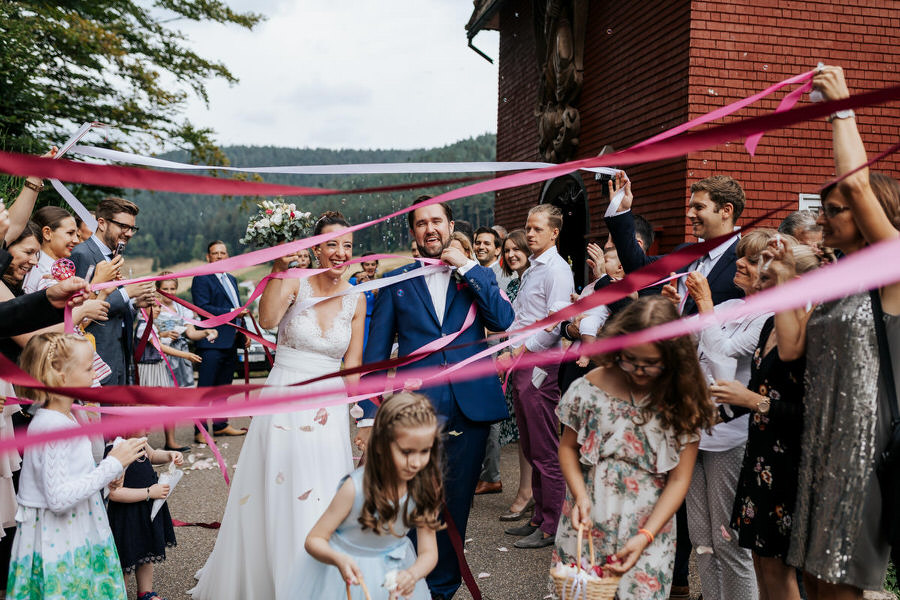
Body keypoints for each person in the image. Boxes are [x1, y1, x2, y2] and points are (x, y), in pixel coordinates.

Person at [190, 211, 365, 600]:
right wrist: (278, 267)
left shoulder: (357, 297)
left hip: (329, 404)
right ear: (315, 248)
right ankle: (276, 578)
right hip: (286, 392)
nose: (340, 253)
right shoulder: (292, 282)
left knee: (322, 487)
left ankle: (318, 580)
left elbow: (353, 365)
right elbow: (267, 319)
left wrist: (359, 417)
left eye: (347, 245)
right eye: (332, 244)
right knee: (282, 483)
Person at [779, 66, 900, 599]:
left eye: (835, 212)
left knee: (839, 586)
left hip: (867, 453)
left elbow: (855, 179)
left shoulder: (894, 273)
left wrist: (841, 107)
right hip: (821, 448)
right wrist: (783, 280)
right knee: (812, 581)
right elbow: (792, 349)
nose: (823, 220)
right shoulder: (838, 283)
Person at [357, 196, 514, 599]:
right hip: (415, 412)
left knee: (456, 503)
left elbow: (502, 321)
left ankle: (441, 589)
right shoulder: (397, 281)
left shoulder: (477, 275)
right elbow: (375, 356)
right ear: (413, 232)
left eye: (437, 222)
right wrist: (369, 413)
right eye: (422, 224)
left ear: (449, 225)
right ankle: (407, 584)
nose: (430, 229)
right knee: (411, 501)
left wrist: (467, 267)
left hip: (469, 408)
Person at [555, 296, 715, 599]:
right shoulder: (587, 388)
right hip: (587, 517)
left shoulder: (683, 398)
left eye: (651, 364)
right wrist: (579, 495)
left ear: (672, 357)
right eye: (631, 360)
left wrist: (646, 536)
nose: (639, 370)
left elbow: (680, 478)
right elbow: (567, 448)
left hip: (649, 523)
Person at [681, 230, 784, 600]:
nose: (738, 263)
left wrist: (705, 306)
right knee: (701, 540)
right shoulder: (727, 309)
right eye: (740, 256)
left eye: (751, 260)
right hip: (694, 432)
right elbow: (690, 353)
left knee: (729, 542)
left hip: (732, 436)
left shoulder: (770, 318)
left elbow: (724, 369)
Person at [714, 242, 821, 600]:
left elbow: (811, 413)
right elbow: (760, 390)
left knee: (779, 571)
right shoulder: (770, 324)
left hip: (789, 463)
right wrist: (720, 410)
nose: (758, 277)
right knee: (761, 564)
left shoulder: (810, 332)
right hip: (760, 457)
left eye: (769, 273)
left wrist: (753, 402)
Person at [8, 333, 146, 599]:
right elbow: (59, 498)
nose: (95, 373)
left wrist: (111, 472)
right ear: (61, 377)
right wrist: (112, 464)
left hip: (75, 530)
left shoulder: (67, 415)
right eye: (88, 368)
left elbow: (77, 475)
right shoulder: (51, 426)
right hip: (60, 540)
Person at [297, 392, 443, 599]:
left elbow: (429, 552)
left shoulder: (423, 488)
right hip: (344, 576)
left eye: (424, 451)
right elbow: (315, 539)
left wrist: (413, 574)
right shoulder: (354, 488)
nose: (416, 463)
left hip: (395, 575)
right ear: (383, 446)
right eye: (406, 452)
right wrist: (338, 559)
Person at [502, 204, 574, 550]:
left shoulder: (557, 270)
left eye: (536, 229)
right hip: (521, 361)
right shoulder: (534, 267)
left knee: (545, 446)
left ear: (554, 233)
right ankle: (539, 516)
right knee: (530, 443)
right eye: (527, 228)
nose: (529, 234)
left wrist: (522, 350)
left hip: (540, 364)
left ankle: (551, 524)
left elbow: (556, 321)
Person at [70, 196, 156, 385]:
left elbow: (111, 306)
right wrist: (128, 292)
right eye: (123, 226)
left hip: (119, 353)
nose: (129, 233)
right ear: (101, 223)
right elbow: (82, 308)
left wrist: (134, 303)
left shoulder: (113, 255)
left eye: (132, 228)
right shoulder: (82, 254)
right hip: (96, 354)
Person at [106, 435, 183, 600]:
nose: (148, 428)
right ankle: (119, 595)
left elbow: (153, 455)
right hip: (126, 514)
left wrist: (169, 454)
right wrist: (149, 492)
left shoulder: (139, 439)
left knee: (146, 550)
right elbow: (114, 493)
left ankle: (145, 592)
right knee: (124, 557)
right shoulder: (116, 449)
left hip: (146, 509)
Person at [493, 230, 534, 520]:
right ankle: (526, 489)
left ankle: (528, 492)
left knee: (533, 434)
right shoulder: (513, 284)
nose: (511, 255)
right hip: (511, 362)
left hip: (532, 362)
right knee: (522, 432)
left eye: (516, 249)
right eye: (506, 250)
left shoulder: (533, 281)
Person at [190, 240, 249, 441]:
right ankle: (200, 431)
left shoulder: (231, 279)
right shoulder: (202, 278)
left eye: (223, 253)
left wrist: (245, 333)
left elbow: (239, 308)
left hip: (232, 340)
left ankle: (220, 425)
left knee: (224, 387)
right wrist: (232, 313)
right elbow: (203, 309)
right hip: (211, 341)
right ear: (208, 257)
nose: (220, 256)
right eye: (215, 253)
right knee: (206, 388)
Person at [135, 302, 206, 451]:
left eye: (159, 307)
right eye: (153, 306)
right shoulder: (143, 326)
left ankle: (171, 442)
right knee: (146, 407)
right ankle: (141, 444)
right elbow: (159, 346)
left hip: (158, 367)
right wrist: (185, 355)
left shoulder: (151, 325)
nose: (158, 309)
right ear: (143, 307)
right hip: (147, 369)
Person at [22, 206, 80, 293]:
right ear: (47, 233)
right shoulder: (41, 272)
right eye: (70, 233)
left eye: (76, 235)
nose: (76, 240)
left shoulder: (55, 267)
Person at [349, 252, 379, 350]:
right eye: (367, 264)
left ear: (376, 265)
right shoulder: (354, 281)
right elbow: (347, 298)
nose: (370, 267)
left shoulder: (380, 284)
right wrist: (357, 283)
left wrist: (378, 296)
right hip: (357, 322)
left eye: (373, 264)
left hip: (374, 323)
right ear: (362, 265)